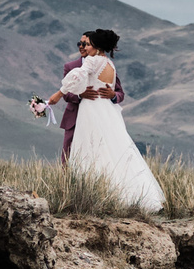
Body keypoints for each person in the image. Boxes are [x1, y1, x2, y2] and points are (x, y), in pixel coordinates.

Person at [32, 29, 163, 213]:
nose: (84, 47)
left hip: (92, 110)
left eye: (88, 44)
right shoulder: (110, 63)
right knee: (112, 151)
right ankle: (128, 195)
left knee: (88, 150)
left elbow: (76, 78)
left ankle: (88, 197)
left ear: (97, 46)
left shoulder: (93, 61)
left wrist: (57, 94)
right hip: (107, 112)